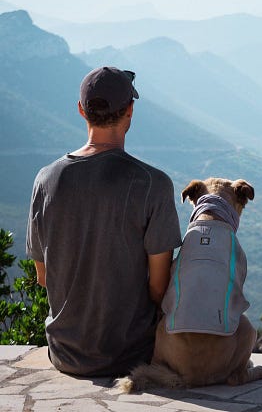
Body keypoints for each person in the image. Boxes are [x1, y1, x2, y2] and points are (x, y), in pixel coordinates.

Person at [26, 66, 182, 376]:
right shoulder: (153, 183)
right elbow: (159, 286)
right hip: (131, 355)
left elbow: (44, 277)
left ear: (82, 110)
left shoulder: (46, 181)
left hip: (64, 354)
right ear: (130, 111)